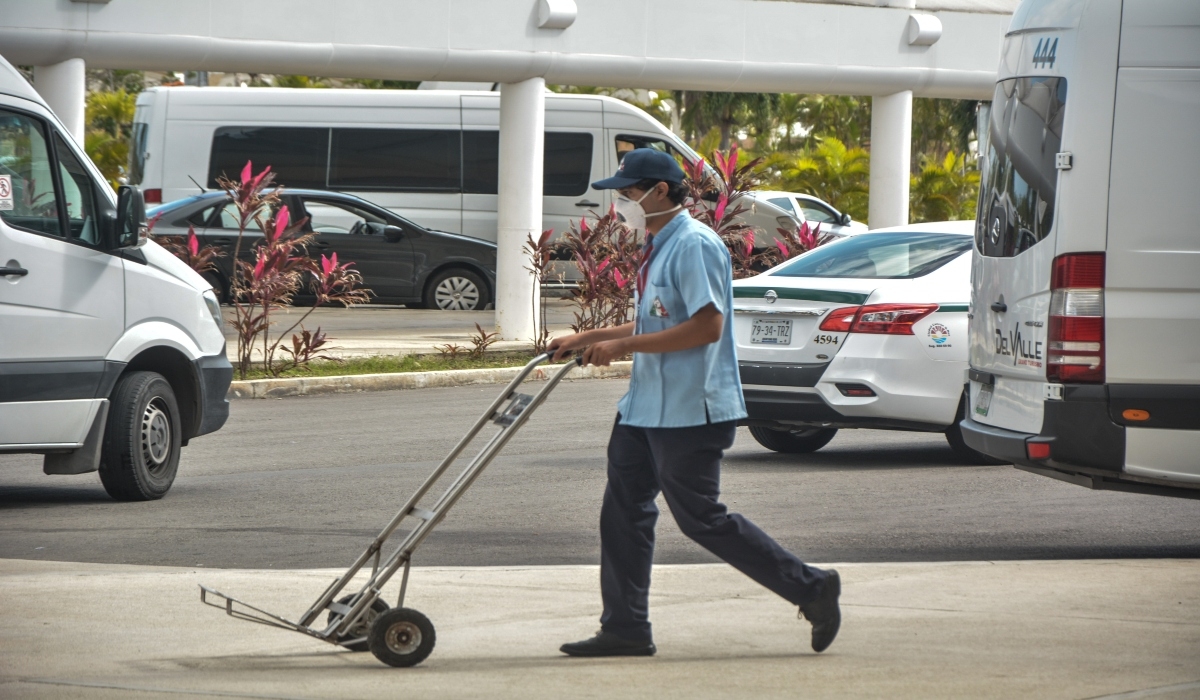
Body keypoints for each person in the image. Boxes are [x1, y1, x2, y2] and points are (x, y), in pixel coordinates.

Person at [550, 149, 841, 657]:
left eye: (629, 190)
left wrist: (621, 347)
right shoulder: (659, 243)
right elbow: (658, 320)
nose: (623, 200)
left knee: (700, 518)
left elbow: (707, 327)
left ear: (660, 191)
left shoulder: (695, 245)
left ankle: (810, 586)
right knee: (622, 512)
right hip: (645, 405)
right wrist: (591, 335)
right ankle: (625, 628)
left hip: (691, 407)